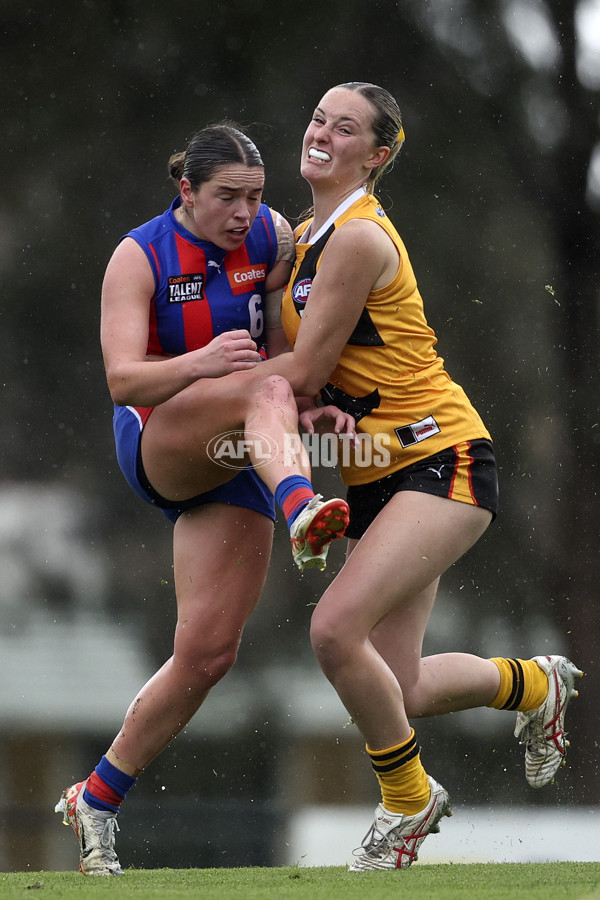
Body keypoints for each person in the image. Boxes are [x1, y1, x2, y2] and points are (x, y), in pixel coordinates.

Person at [255, 82, 583, 870]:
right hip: (378, 473)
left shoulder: (360, 239)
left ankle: (408, 802)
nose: (321, 134)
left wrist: (196, 388)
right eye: (316, 119)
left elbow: (298, 370)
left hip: (444, 459)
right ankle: (534, 686)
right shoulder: (303, 234)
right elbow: (286, 370)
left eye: (345, 129)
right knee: (400, 689)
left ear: (378, 154)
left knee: (334, 633)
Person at [54, 122, 352, 876]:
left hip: (252, 440)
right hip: (165, 439)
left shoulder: (272, 236)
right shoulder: (140, 255)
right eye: (227, 198)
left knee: (208, 654)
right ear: (185, 189)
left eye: (255, 197)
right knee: (270, 385)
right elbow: (123, 380)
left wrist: (302, 399)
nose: (244, 214)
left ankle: (96, 797)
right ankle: (303, 511)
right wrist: (202, 363)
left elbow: (287, 345)